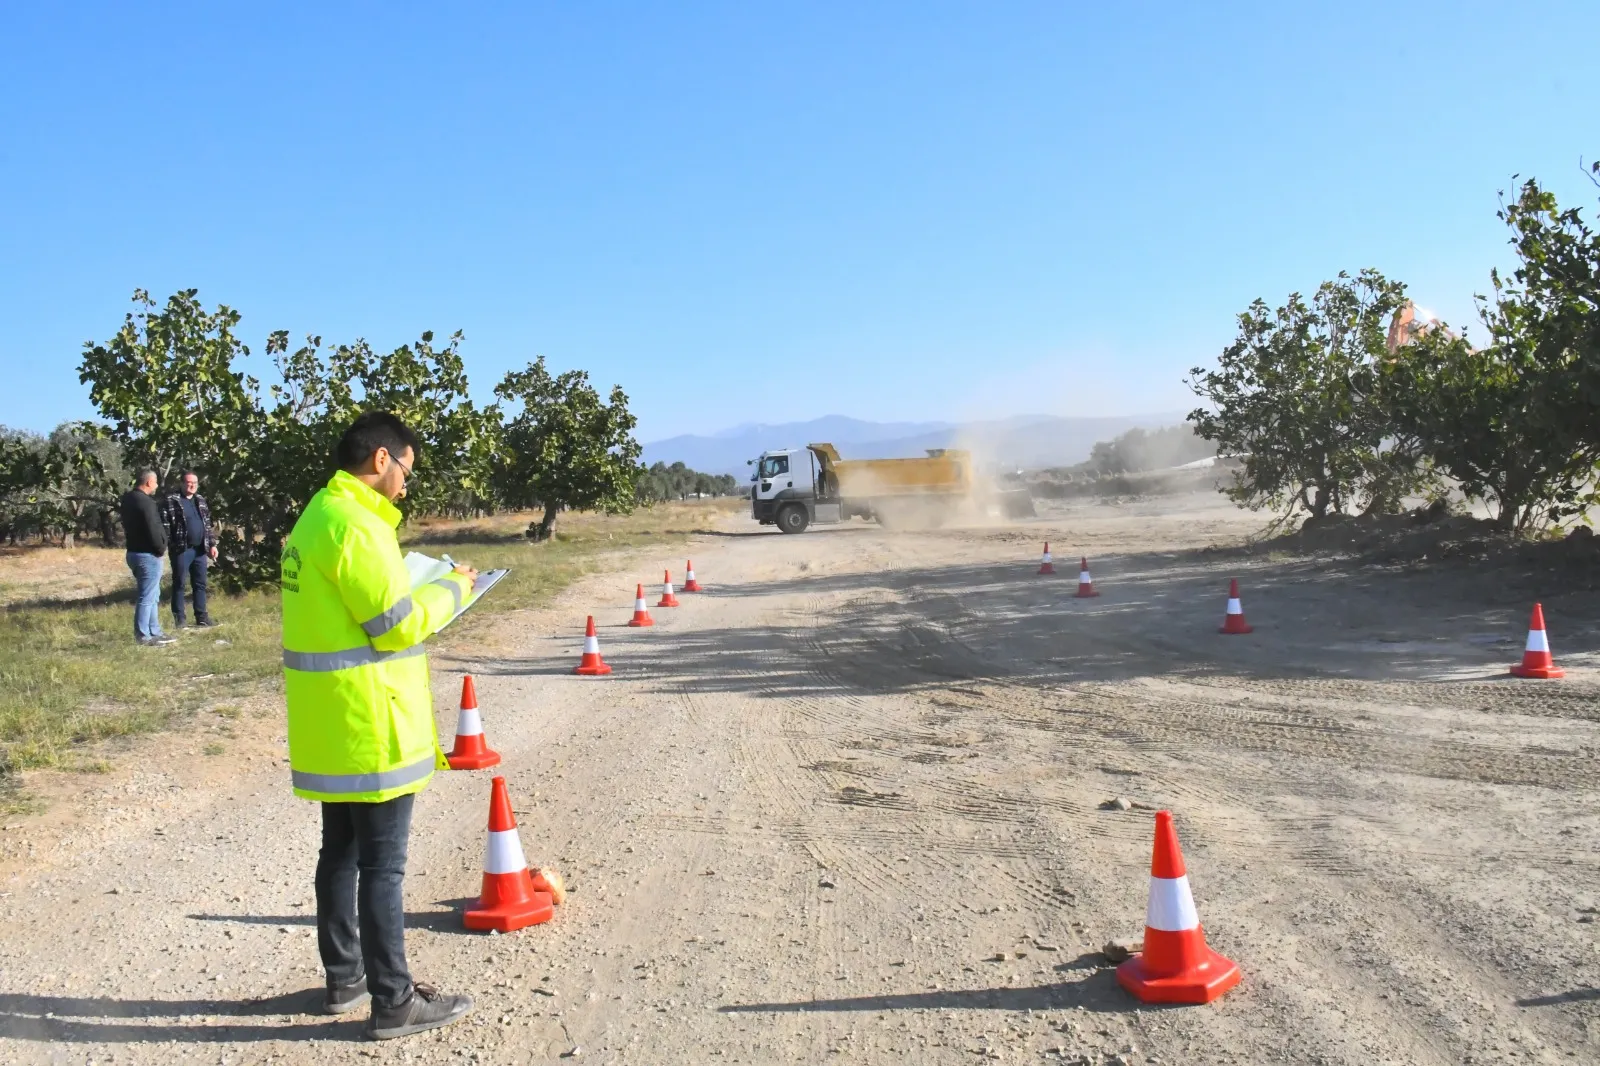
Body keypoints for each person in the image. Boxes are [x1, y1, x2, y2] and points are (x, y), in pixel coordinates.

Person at [280, 410, 478, 1041]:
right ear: (382, 459)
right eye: (405, 471)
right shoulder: (356, 524)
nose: (405, 486)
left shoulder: (316, 516)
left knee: (339, 853)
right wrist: (453, 589)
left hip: (332, 721)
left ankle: (345, 980)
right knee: (383, 867)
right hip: (373, 722)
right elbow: (393, 625)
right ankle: (393, 1000)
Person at [119, 469, 174, 647]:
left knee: (153, 595)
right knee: (147, 597)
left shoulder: (128, 500)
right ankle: (143, 635)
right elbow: (153, 528)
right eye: (156, 482)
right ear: (149, 482)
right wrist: (161, 547)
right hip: (147, 555)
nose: (157, 486)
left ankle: (155, 632)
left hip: (133, 552)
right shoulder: (146, 502)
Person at [161, 470, 218, 628]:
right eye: (189, 482)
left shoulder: (200, 500)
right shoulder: (172, 500)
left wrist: (212, 545)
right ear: (182, 483)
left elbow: (207, 525)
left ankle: (202, 617)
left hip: (200, 550)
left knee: (200, 584)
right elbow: (165, 526)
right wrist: (169, 544)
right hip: (182, 550)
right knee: (179, 583)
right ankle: (180, 619)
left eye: (195, 483)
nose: (192, 485)